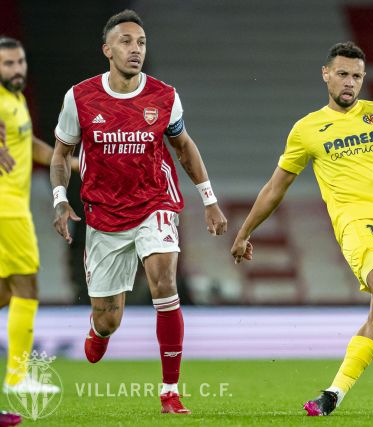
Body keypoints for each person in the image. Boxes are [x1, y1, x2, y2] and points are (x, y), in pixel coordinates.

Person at [231, 41, 373, 416]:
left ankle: (332, 395)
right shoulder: (307, 129)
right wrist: (244, 232)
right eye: (342, 74)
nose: (349, 82)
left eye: (356, 76)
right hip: (357, 222)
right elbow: (276, 186)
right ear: (326, 74)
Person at [50, 10, 227, 414]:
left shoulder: (164, 96)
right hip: (104, 215)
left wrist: (209, 200)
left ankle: (169, 391)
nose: (136, 49)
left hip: (154, 203)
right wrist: (61, 198)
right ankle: (99, 330)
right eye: (127, 42)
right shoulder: (80, 97)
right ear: (107, 49)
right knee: (109, 318)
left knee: (164, 281)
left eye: (142, 43)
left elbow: (184, 147)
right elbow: (61, 154)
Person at [0, 36, 79, 394]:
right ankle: (17, 378)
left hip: (13, 207)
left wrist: (67, 161)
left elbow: (27, 144)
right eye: (8, 64)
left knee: (5, 292)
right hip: (6, 210)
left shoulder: (16, 100)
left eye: (20, 63)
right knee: (26, 287)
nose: (17, 70)